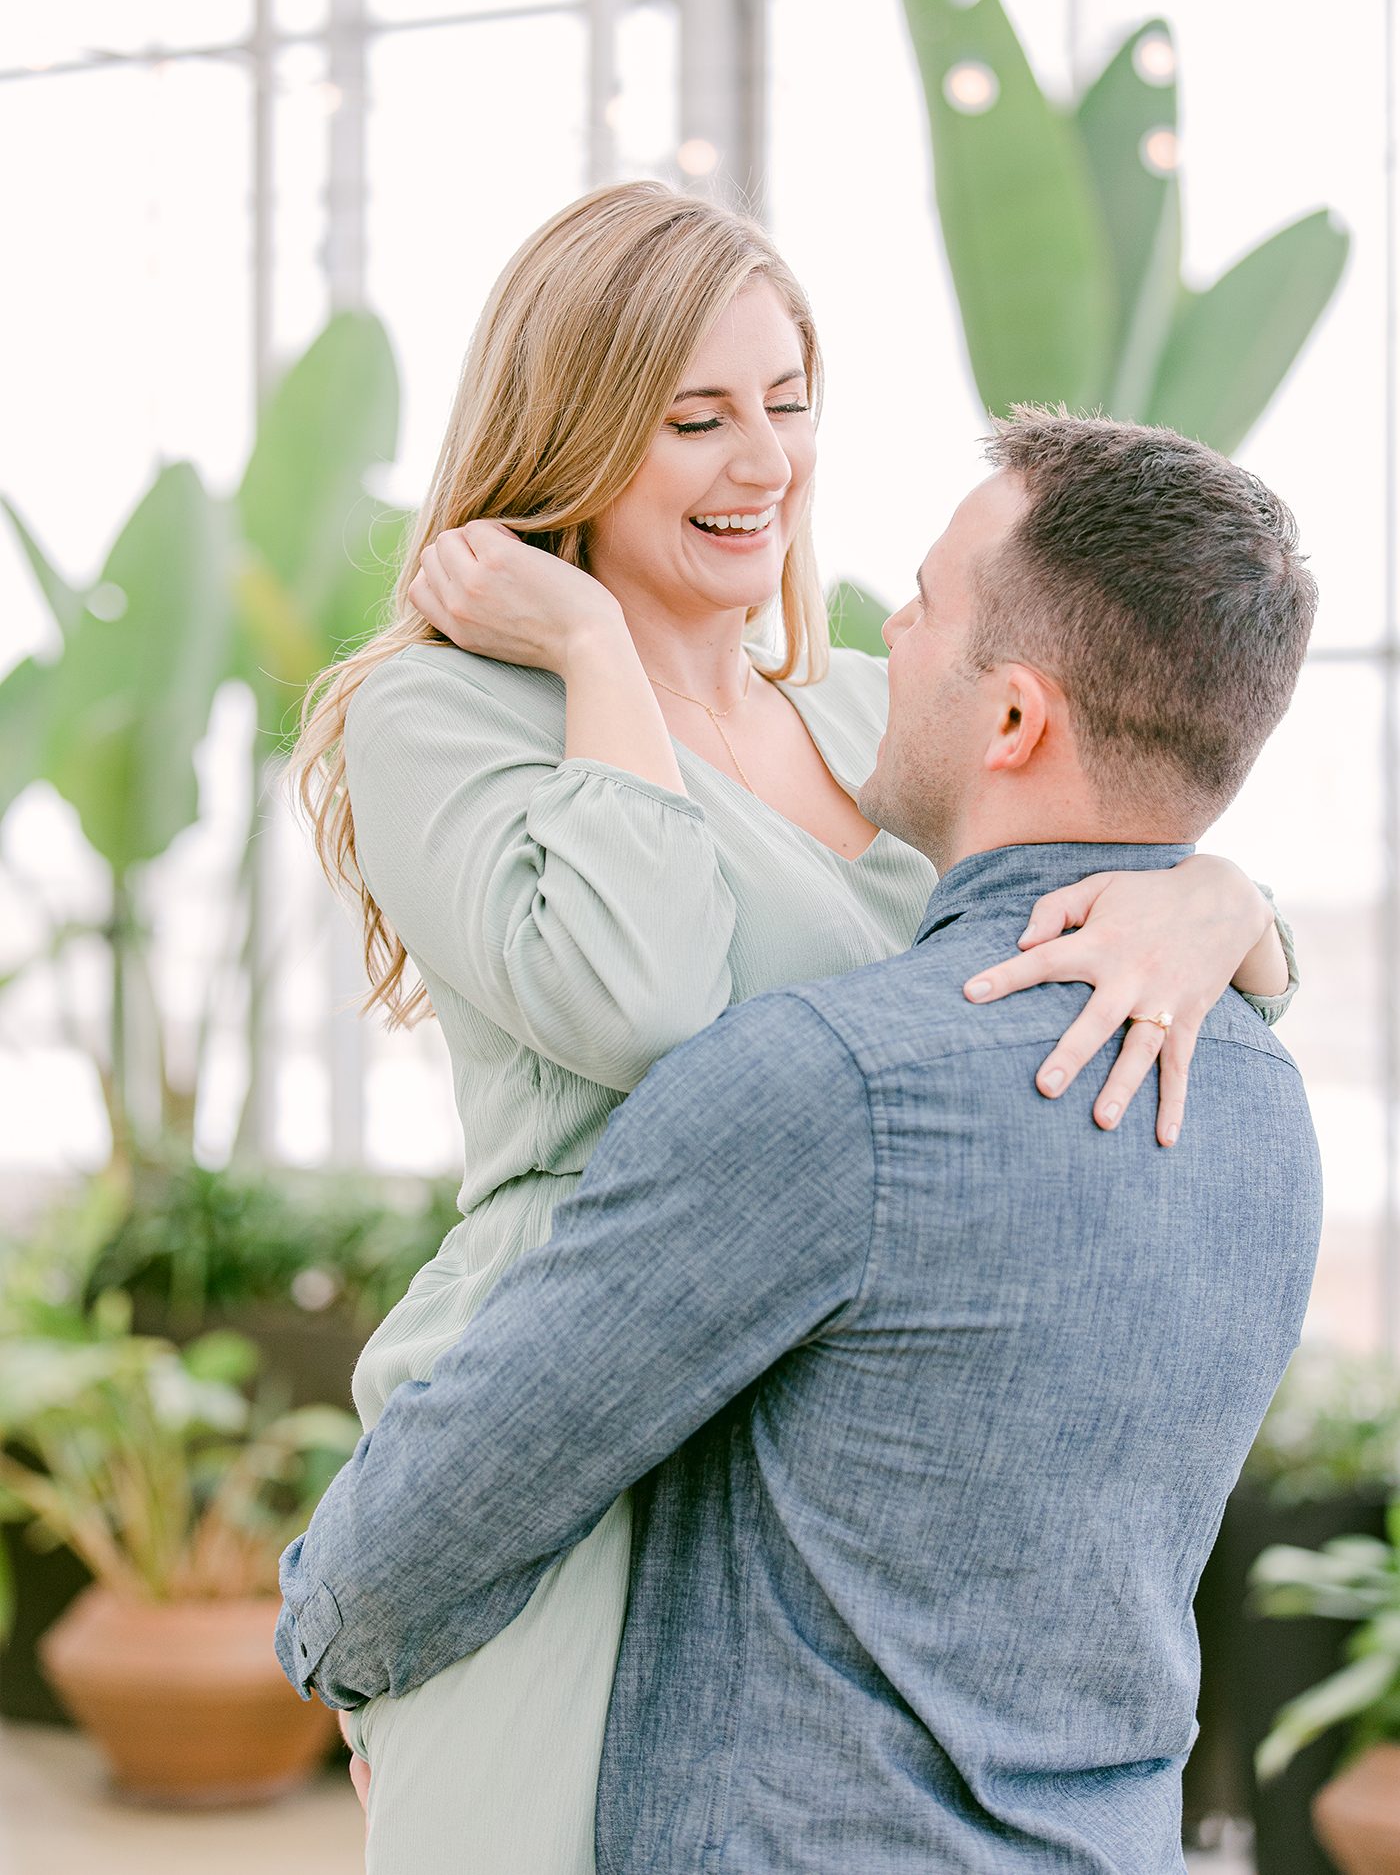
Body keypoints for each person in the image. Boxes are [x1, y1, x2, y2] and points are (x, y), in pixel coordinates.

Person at [288, 186, 1296, 1872]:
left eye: (789, 400)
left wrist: (1221, 904)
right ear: (577, 434)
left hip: (808, 1435)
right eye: (696, 419)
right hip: (563, 1445)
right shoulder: (445, 711)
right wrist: (600, 654)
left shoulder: (849, 706)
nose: (766, 461)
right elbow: (641, 1004)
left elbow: (1050, 859)